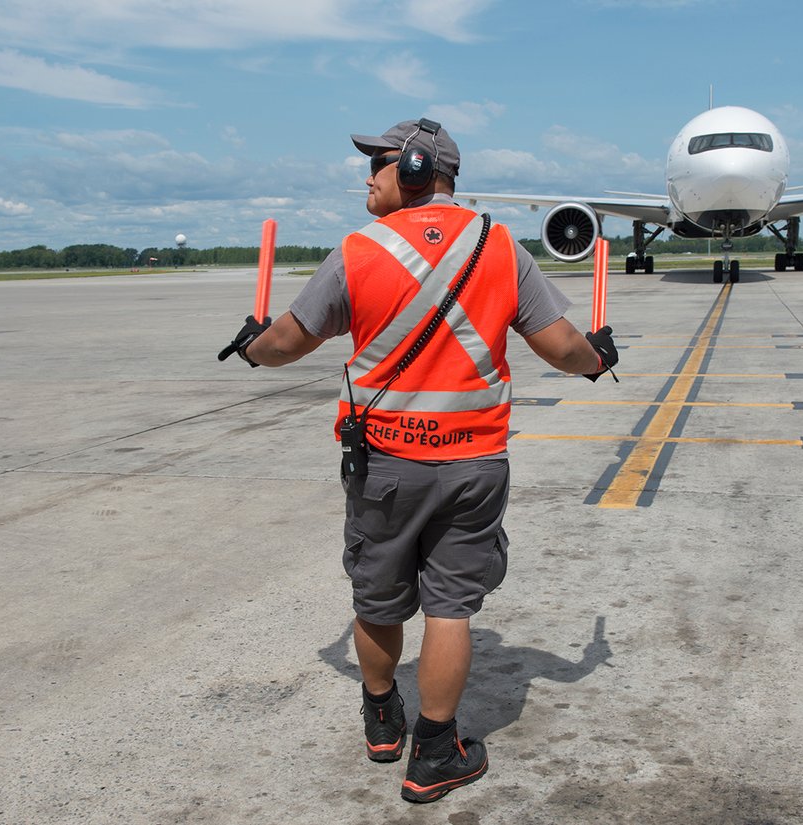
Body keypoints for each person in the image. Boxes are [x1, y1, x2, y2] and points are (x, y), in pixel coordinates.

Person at [219, 117, 618, 803]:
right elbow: (561, 347)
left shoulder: (356, 251)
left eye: (376, 163)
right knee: (451, 606)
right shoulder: (498, 245)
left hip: (384, 468)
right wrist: (599, 356)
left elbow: (286, 342)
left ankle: (381, 718)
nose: (366, 176)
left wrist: (252, 345)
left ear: (413, 166)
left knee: (377, 598)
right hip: (472, 467)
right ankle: (435, 752)